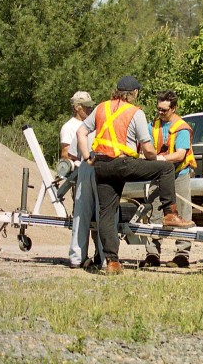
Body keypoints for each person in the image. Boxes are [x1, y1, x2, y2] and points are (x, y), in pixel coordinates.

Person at [76, 75, 194, 275]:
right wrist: (153, 158)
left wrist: (88, 157)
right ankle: (170, 214)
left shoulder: (101, 107)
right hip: (123, 163)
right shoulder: (135, 112)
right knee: (165, 169)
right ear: (134, 93)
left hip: (101, 165)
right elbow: (147, 148)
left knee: (106, 213)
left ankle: (112, 262)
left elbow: (80, 132)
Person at [143, 91, 196, 268]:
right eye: (158, 109)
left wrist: (159, 159)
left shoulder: (182, 128)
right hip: (157, 176)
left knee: (183, 215)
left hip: (178, 176)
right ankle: (152, 254)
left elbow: (180, 154)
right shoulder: (153, 126)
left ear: (174, 108)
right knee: (154, 214)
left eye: (164, 110)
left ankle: (182, 255)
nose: (160, 113)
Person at [61, 91, 102, 269]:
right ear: (77, 107)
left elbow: (73, 151)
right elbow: (67, 155)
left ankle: (79, 257)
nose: (89, 109)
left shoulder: (83, 129)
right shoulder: (73, 127)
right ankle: (103, 257)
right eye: (86, 106)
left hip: (86, 168)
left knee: (83, 216)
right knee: (103, 214)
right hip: (94, 169)